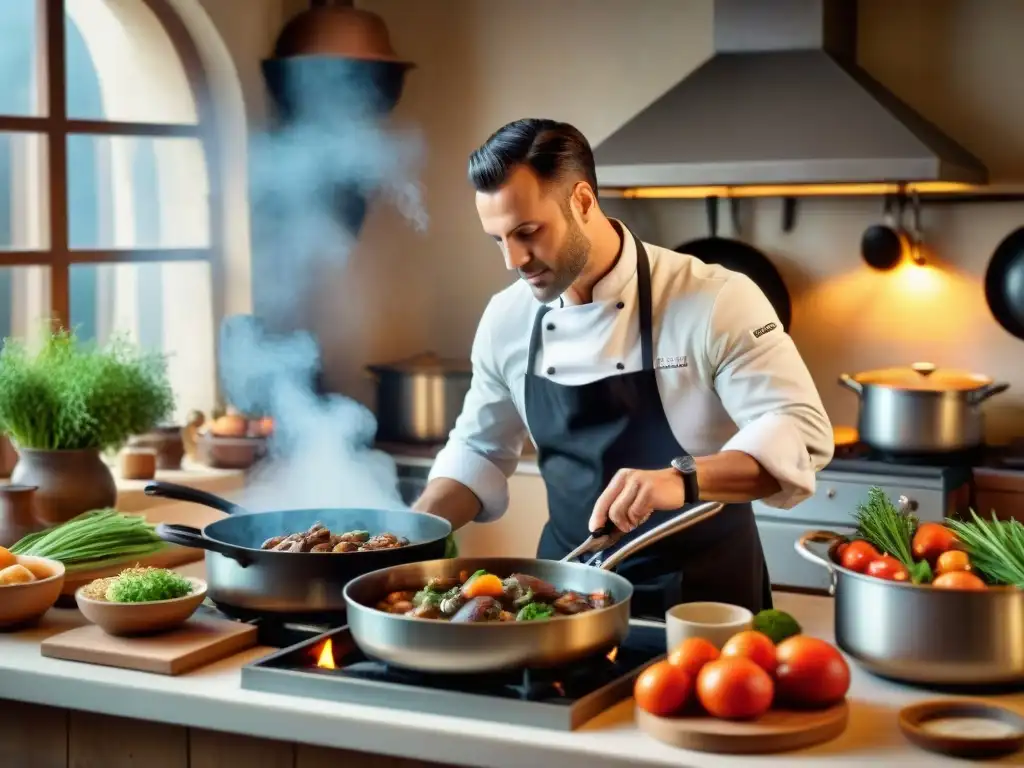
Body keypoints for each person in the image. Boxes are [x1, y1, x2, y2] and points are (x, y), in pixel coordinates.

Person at [413, 118, 833, 618]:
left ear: (583, 201)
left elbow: (801, 435)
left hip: (703, 599)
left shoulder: (714, 298)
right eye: (497, 240)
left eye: (527, 232)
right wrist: (411, 535)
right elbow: (479, 449)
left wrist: (680, 480)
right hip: (563, 597)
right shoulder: (507, 319)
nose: (513, 260)